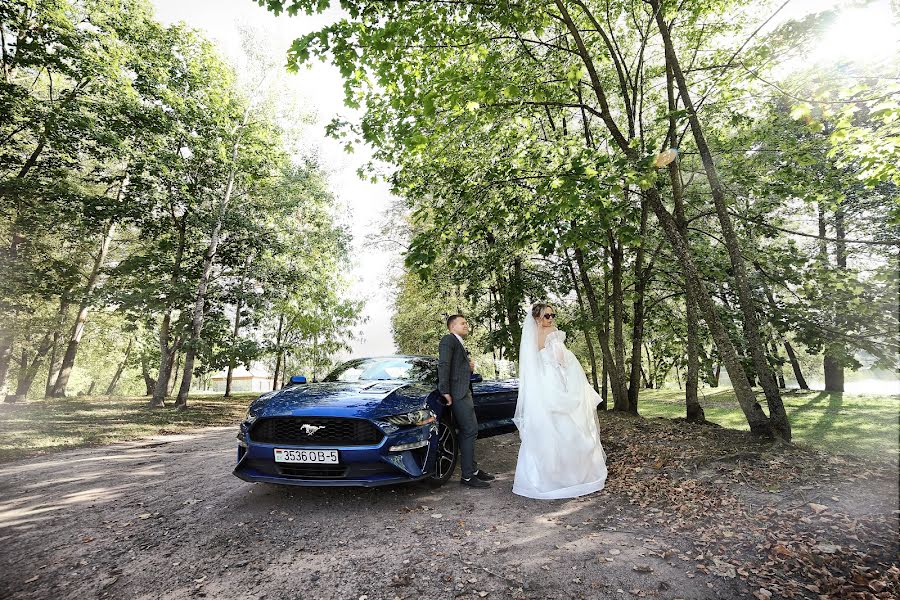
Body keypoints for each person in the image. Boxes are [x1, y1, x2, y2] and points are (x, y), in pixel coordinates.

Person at [512, 303, 607, 499]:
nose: (551, 318)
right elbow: (561, 359)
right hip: (556, 381)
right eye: (547, 315)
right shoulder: (552, 333)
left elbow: (533, 366)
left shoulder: (529, 338)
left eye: (552, 315)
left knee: (548, 425)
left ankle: (544, 476)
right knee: (566, 425)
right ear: (538, 317)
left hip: (543, 384)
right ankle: (570, 476)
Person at [437, 314, 495, 488]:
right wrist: (444, 390)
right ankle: (468, 476)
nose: (466, 325)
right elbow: (444, 364)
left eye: (466, 323)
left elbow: (456, 369)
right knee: (469, 430)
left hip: (463, 392)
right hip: (457, 393)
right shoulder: (448, 340)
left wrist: (468, 369)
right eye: (463, 323)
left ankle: (473, 470)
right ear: (452, 326)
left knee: (471, 431)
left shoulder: (458, 343)